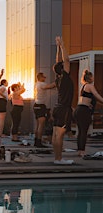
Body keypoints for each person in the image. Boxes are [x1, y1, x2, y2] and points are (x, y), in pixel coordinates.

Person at [52, 36, 74, 165]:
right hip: (64, 109)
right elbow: (66, 60)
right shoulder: (64, 78)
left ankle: (57, 158)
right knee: (59, 135)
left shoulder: (58, 78)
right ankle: (59, 159)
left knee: (56, 135)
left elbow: (59, 61)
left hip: (57, 108)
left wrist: (57, 47)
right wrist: (62, 45)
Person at [74, 69, 103, 157]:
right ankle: (82, 151)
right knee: (84, 131)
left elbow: (84, 99)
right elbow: (97, 95)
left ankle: (79, 150)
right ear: (90, 77)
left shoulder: (83, 86)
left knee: (80, 131)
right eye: (93, 76)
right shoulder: (90, 86)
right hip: (83, 111)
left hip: (78, 109)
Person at [33, 72, 55, 147]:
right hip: (40, 105)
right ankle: (39, 141)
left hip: (36, 105)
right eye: (44, 77)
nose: (45, 78)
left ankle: (36, 140)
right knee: (41, 125)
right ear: (40, 77)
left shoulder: (36, 84)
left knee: (37, 124)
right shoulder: (41, 84)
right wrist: (58, 80)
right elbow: (50, 86)